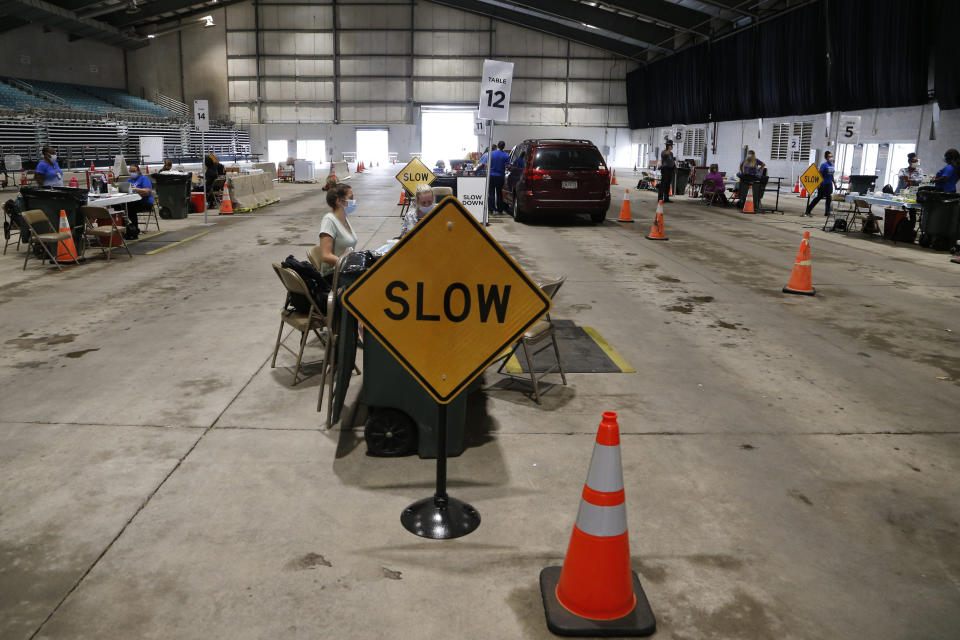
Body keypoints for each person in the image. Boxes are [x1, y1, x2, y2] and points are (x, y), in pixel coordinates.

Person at [317, 183, 358, 279]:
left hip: (345, 270)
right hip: (334, 275)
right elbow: (326, 256)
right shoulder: (329, 220)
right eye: (351, 198)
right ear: (339, 201)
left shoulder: (344, 218)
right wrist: (348, 264)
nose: (354, 201)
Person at [124, 163, 154, 239]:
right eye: (130, 171)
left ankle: (135, 230)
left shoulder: (144, 178)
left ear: (138, 171)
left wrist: (137, 189)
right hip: (132, 201)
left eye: (134, 171)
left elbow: (147, 192)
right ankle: (124, 229)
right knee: (119, 206)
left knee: (130, 207)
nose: (132, 173)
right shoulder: (128, 180)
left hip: (146, 202)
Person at [804, 150, 836, 217]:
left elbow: (831, 175)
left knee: (829, 198)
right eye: (829, 157)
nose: (831, 158)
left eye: (832, 156)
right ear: (826, 158)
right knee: (819, 197)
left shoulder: (833, 165)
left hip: (829, 184)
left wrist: (834, 183)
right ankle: (808, 210)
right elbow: (819, 174)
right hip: (823, 184)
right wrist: (818, 184)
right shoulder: (824, 165)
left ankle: (827, 212)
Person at [489, 141, 510, 214]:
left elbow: (487, 164)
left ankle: (491, 209)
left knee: (491, 193)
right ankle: (500, 209)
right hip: (500, 176)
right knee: (499, 193)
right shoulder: (506, 155)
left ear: (497, 146)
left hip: (491, 175)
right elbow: (508, 166)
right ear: (504, 147)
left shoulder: (491, 153)